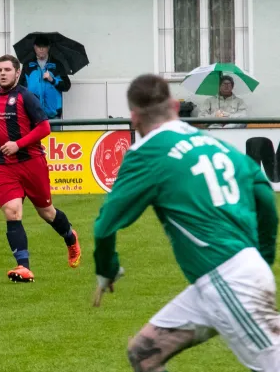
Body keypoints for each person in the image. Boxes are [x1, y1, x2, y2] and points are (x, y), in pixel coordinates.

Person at [93, 73, 280, 371]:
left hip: (228, 279)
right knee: (144, 353)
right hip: (222, 279)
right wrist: (263, 257)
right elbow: (264, 196)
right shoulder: (212, 143)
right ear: (174, 107)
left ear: (133, 117)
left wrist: (107, 270)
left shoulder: (145, 153)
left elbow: (104, 226)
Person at [0, 54, 81, 283]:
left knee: (47, 213)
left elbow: (44, 128)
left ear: (17, 72)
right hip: (5, 166)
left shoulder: (26, 97)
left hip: (32, 163)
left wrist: (18, 144)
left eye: (7, 70)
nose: (2, 73)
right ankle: (23, 266)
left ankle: (70, 236)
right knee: (12, 213)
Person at [18, 35, 71, 131]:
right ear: (35, 47)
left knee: (54, 141)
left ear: (48, 47)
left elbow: (66, 86)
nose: (41, 49)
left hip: (53, 113)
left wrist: (52, 79)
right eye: (39, 46)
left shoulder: (57, 65)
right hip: (33, 113)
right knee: (35, 143)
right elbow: (20, 88)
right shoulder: (28, 65)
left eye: (44, 46)